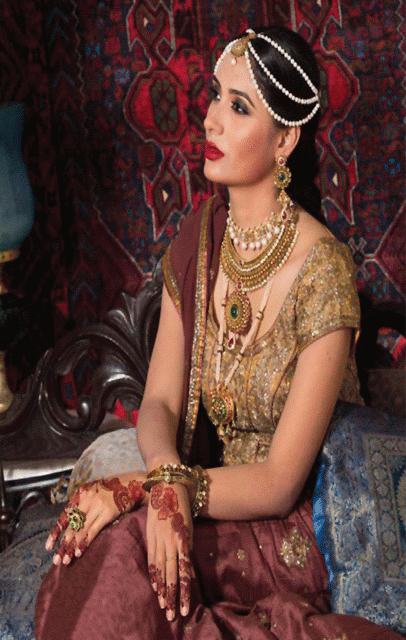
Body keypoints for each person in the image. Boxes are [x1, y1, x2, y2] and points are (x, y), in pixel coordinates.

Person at [35, 27, 403, 639]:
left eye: (238, 107)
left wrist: (150, 487)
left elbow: (280, 482)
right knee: (104, 544)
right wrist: (163, 480)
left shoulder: (323, 273)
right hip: (198, 500)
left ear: (285, 139)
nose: (210, 120)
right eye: (214, 96)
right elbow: (158, 402)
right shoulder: (198, 240)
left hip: (289, 531)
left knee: (124, 548)